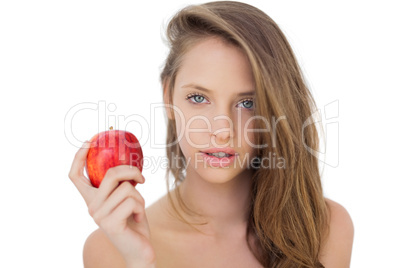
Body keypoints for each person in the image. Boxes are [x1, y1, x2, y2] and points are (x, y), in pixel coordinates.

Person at [69, 1, 354, 267]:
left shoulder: (326, 228)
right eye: (198, 98)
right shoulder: (110, 250)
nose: (222, 132)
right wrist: (139, 261)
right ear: (168, 95)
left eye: (247, 103)